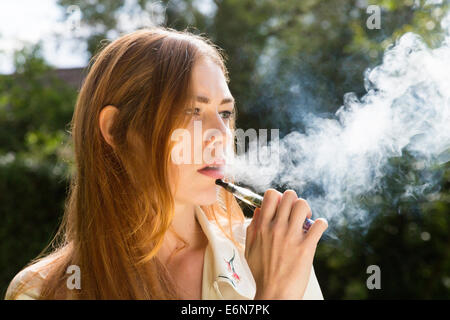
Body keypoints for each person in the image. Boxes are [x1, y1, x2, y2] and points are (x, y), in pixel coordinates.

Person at [5, 27, 328, 300]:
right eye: (193, 111)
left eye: (225, 113)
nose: (221, 134)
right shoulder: (42, 291)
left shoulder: (275, 254)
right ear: (116, 130)